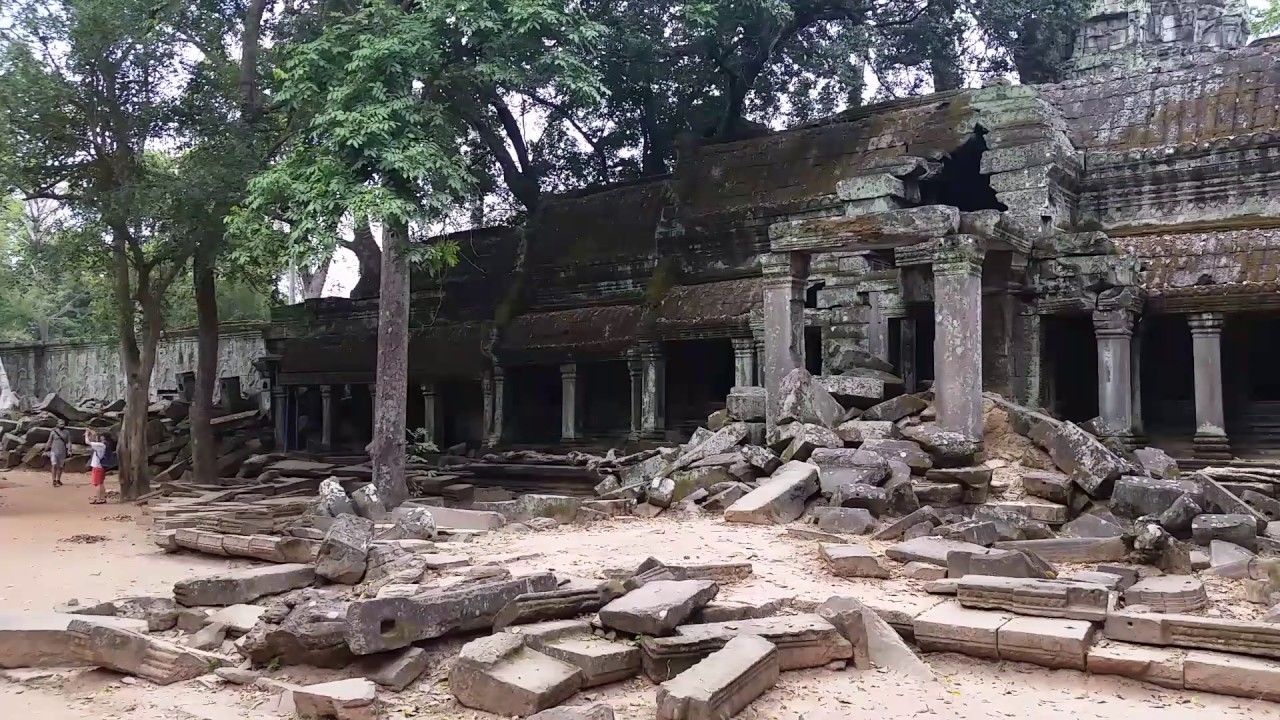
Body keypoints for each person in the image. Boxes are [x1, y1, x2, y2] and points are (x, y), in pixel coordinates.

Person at [85, 428, 108, 504]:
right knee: (101, 483)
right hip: (101, 466)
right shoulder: (104, 445)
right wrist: (93, 433)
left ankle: (98, 499)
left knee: (97, 484)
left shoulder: (100, 445)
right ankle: (102, 498)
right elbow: (95, 441)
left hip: (97, 467)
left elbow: (87, 442)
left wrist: (86, 433)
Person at [47, 420, 69, 488]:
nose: (62, 425)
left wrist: (70, 450)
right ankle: (54, 480)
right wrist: (45, 450)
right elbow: (49, 441)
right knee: (54, 465)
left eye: (63, 424)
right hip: (54, 451)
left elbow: (69, 442)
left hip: (62, 452)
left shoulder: (67, 433)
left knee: (61, 467)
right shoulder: (53, 432)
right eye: (61, 424)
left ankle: (58, 479)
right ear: (57, 424)